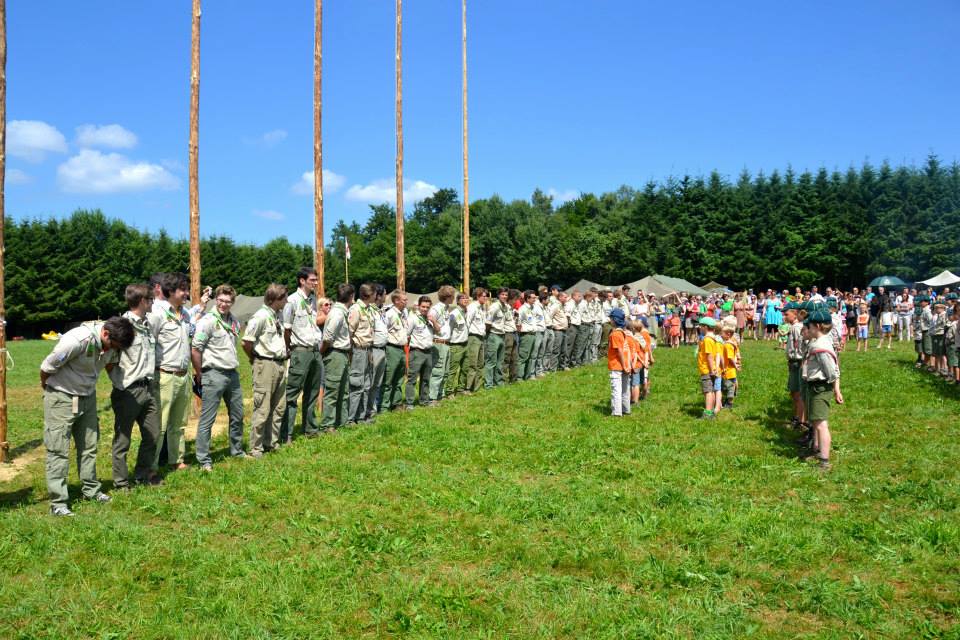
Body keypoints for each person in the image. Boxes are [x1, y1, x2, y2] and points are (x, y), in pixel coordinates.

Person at [41, 317, 134, 516]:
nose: (113, 350)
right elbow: (47, 367)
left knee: (89, 446)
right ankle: (58, 503)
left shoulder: (111, 345)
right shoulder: (77, 340)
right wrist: (53, 392)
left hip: (87, 398)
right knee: (58, 450)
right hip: (62, 397)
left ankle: (91, 490)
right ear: (105, 334)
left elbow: (110, 365)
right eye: (113, 346)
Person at [108, 284, 162, 490]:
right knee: (123, 440)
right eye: (150, 300)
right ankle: (121, 483)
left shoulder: (147, 324)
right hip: (128, 391)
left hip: (149, 388)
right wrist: (120, 382)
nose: (152, 303)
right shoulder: (123, 326)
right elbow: (110, 360)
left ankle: (142, 474)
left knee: (153, 433)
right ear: (141, 301)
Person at [192, 285, 246, 470]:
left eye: (228, 301)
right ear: (216, 300)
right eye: (221, 300)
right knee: (208, 419)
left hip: (232, 374)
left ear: (232, 302)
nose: (223, 304)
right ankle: (204, 460)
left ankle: (237, 451)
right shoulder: (207, 321)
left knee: (238, 415)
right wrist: (200, 374)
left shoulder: (234, 322)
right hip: (213, 373)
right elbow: (195, 349)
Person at [154, 272, 196, 472]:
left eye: (187, 289)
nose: (187, 293)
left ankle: (176, 460)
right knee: (160, 424)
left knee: (178, 423)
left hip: (183, 374)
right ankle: (151, 466)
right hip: (164, 375)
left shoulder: (186, 314)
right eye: (183, 290)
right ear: (170, 291)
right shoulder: (157, 314)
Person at [241, 283, 288, 458]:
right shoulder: (260, 316)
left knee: (278, 406)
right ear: (275, 299)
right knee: (262, 407)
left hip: (279, 363)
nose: (287, 301)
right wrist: (255, 359)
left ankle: (271, 442)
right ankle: (256, 447)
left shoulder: (277, 316)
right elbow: (246, 342)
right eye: (284, 298)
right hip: (265, 364)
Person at [282, 267, 324, 442]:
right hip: (300, 351)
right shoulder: (291, 301)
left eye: (316, 280)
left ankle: (310, 429)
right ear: (302, 280)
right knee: (292, 394)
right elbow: (286, 328)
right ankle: (287, 433)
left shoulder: (313, 300)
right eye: (312, 280)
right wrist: (290, 350)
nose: (315, 283)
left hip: (315, 351)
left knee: (312, 392)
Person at [801, 309, 843, 471]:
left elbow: (832, 371)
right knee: (815, 421)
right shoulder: (816, 342)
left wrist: (836, 390)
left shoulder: (821, 346)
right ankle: (817, 450)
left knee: (821, 424)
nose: (808, 329)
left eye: (810, 326)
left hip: (820, 387)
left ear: (817, 326)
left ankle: (824, 460)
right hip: (814, 385)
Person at [320, 284, 354, 428]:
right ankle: (328, 425)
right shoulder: (338, 314)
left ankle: (342, 421)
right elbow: (328, 337)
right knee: (333, 391)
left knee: (344, 390)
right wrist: (323, 351)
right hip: (335, 354)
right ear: (351, 296)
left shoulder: (341, 312)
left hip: (343, 353)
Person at [346, 284, 376, 423]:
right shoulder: (356, 309)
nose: (376, 296)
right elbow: (349, 332)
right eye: (374, 294)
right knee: (357, 384)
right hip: (359, 350)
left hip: (368, 349)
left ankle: (362, 416)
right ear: (367, 295)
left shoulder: (369, 309)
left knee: (367, 384)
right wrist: (352, 351)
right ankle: (351, 418)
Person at [382, 289, 409, 410]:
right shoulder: (389, 313)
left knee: (399, 378)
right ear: (396, 301)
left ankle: (396, 403)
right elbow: (384, 331)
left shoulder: (403, 313)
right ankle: (384, 406)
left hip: (402, 348)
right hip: (391, 348)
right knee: (389, 378)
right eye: (404, 300)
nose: (406, 302)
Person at [406, 295, 435, 408]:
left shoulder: (430, 318)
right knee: (412, 378)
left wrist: (434, 321)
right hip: (417, 351)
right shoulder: (413, 318)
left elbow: (438, 331)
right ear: (418, 306)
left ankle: (424, 400)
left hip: (428, 352)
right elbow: (407, 334)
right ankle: (409, 403)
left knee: (426, 378)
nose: (425, 309)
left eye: (427, 307)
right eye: (423, 306)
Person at [428, 286, 455, 401]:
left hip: (447, 343)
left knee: (446, 371)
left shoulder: (446, 309)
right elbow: (430, 322)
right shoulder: (436, 309)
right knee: (438, 371)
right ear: (448, 296)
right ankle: (432, 397)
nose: (454, 298)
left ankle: (441, 394)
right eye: (452, 295)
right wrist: (436, 326)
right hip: (439, 342)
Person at [367, 285, 389, 419]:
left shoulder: (382, 311)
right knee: (371, 381)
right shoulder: (370, 310)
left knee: (378, 382)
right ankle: (368, 409)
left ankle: (374, 407)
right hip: (373, 349)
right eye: (385, 294)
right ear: (378, 296)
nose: (386, 296)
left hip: (382, 348)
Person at [696, 317, 722, 419]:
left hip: (707, 370)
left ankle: (707, 412)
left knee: (707, 391)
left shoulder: (707, 340)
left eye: (701, 326)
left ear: (705, 327)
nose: (700, 328)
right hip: (711, 369)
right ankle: (710, 412)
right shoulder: (714, 338)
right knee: (710, 391)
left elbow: (710, 356)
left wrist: (712, 370)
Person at [484, 287, 510, 386]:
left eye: (506, 295)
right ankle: (488, 384)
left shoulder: (505, 306)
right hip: (493, 334)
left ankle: (498, 382)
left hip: (502, 335)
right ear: (498, 295)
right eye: (502, 294)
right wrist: (488, 334)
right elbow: (488, 322)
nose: (504, 296)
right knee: (491, 361)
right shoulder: (494, 306)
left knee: (500, 361)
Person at [607, 309, 631, 416]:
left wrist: (624, 365)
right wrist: (627, 364)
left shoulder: (615, 334)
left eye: (611, 318)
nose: (610, 320)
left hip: (617, 365)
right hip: (625, 363)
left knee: (616, 389)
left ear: (614, 320)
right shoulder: (623, 332)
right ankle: (626, 409)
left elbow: (620, 351)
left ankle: (617, 412)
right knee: (625, 389)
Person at [446, 292, 470, 396]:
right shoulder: (454, 314)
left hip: (466, 343)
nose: (466, 300)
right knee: (453, 370)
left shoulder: (467, 312)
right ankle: (449, 391)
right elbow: (449, 329)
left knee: (465, 368)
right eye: (463, 298)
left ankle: (460, 390)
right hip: (456, 345)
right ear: (458, 301)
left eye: (467, 298)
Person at [465, 288, 488, 392]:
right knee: (472, 363)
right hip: (473, 337)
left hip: (481, 337)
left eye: (486, 296)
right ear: (477, 296)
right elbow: (467, 323)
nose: (486, 297)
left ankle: (477, 387)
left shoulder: (482, 308)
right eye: (484, 296)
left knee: (480, 363)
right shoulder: (472, 307)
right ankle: (468, 387)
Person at [517, 290, 539, 379]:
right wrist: (521, 333)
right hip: (526, 335)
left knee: (531, 356)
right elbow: (518, 322)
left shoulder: (533, 308)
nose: (535, 299)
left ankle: (527, 376)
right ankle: (519, 377)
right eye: (533, 298)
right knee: (523, 356)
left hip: (533, 334)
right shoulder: (522, 309)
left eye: (535, 297)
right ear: (527, 298)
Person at [502, 289, 521, 383]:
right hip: (507, 334)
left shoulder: (512, 309)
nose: (516, 301)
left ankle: (513, 378)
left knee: (514, 357)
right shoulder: (504, 308)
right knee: (506, 357)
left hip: (514, 333)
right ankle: (503, 379)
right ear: (510, 299)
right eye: (515, 299)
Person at [720, 323, 740, 409]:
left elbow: (730, 358)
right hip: (731, 370)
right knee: (729, 386)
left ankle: (729, 403)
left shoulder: (728, 345)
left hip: (728, 370)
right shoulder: (732, 343)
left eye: (722, 333)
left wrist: (735, 366)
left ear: (728, 334)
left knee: (728, 387)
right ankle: (728, 400)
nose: (720, 335)